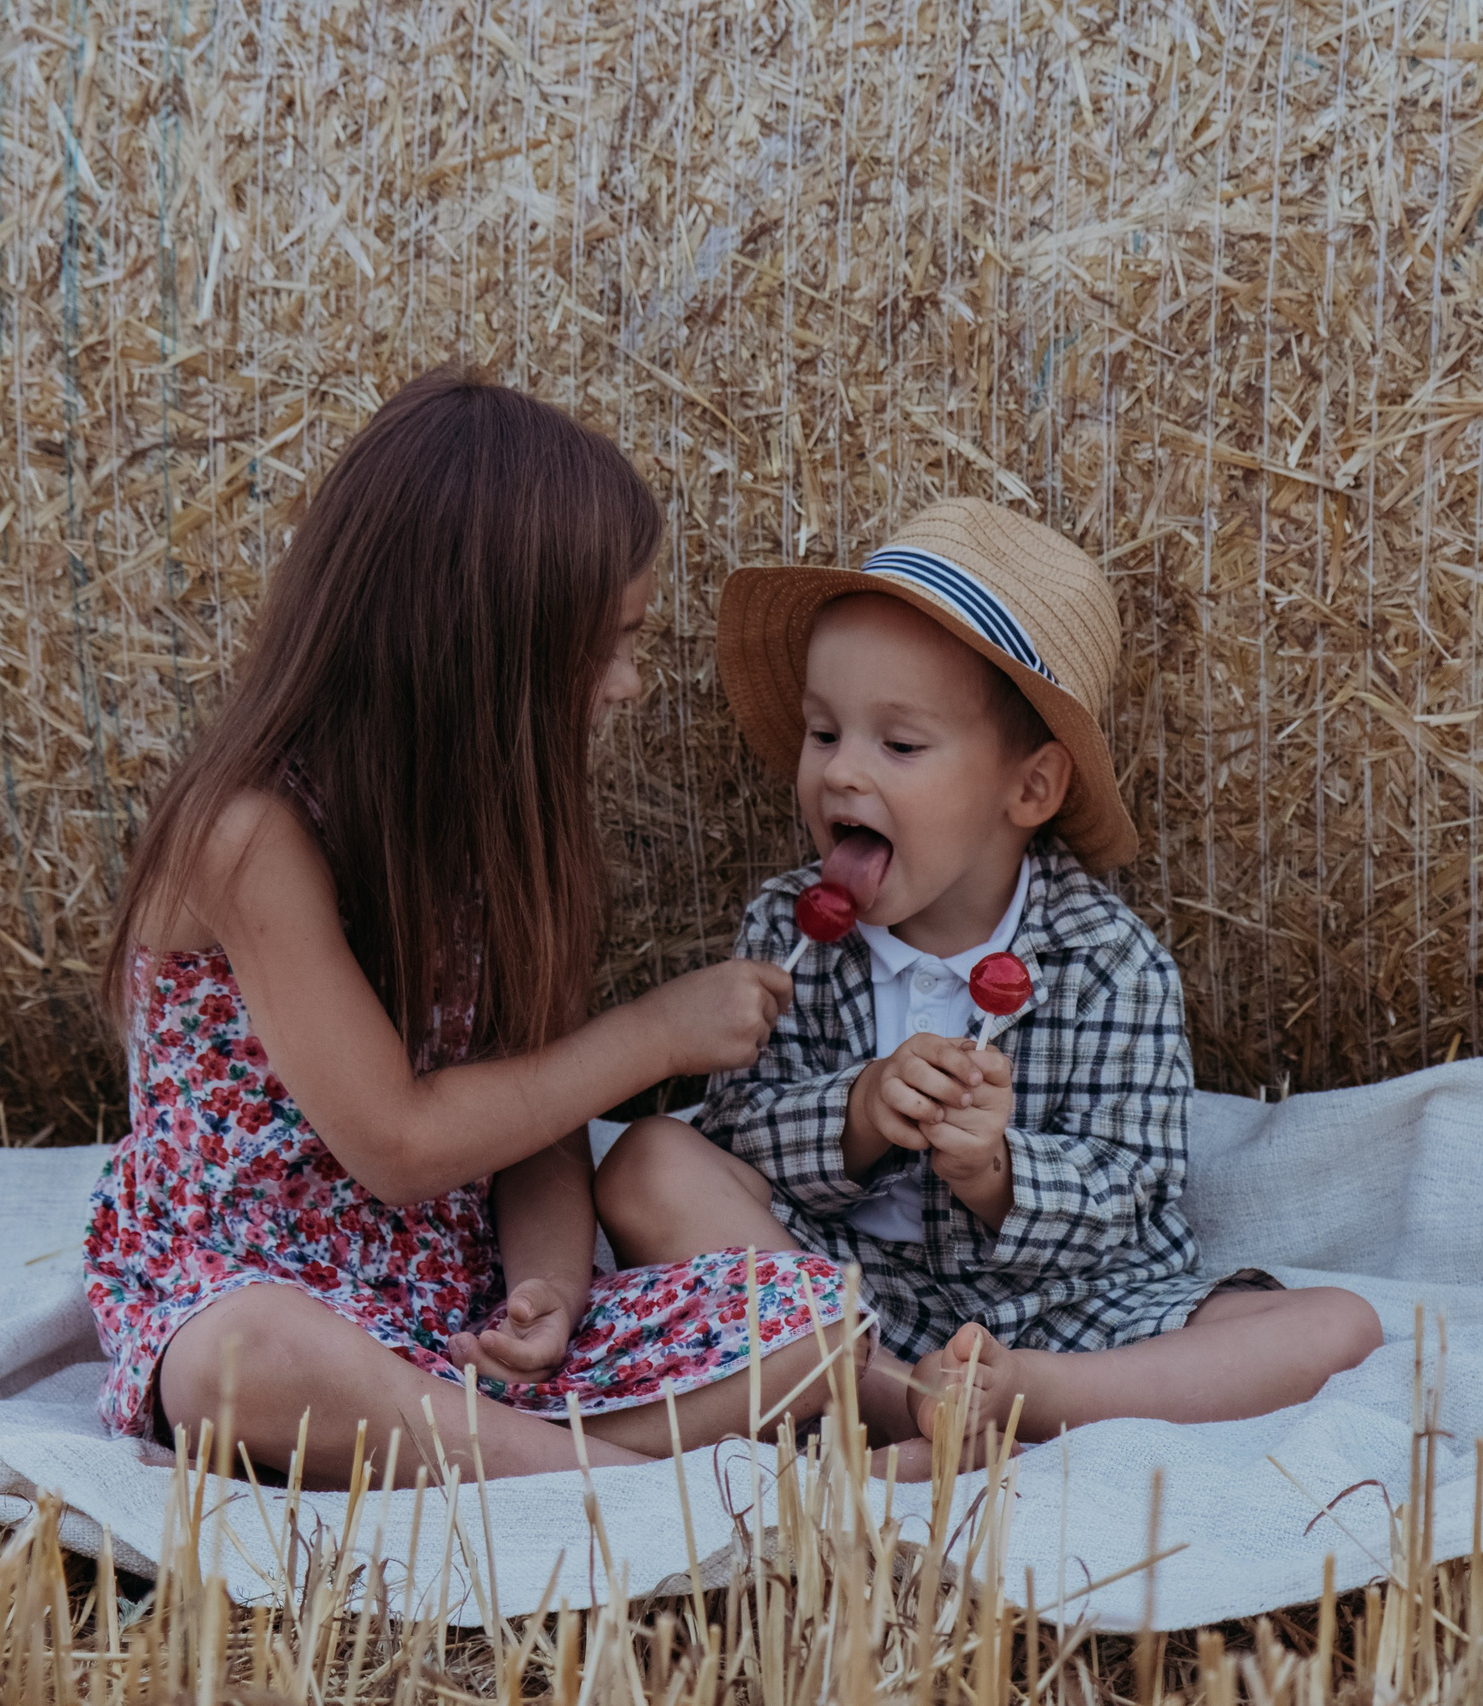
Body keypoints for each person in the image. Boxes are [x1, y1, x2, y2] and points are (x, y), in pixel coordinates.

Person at [82, 367, 855, 1485]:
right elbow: (396, 1144)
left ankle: (494, 1451)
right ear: (486, 652)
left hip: (455, 1324)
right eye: (612, 643)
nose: (630, 682)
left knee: (818, 1319)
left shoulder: (484, 819)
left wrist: (550, 1289)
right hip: (264, 1292)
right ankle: (609, 1479)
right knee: (241, 1360)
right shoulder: (248, 835)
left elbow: (536, 1118)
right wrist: (654, 1036)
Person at [596, 498, 1382, 1448]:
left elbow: (1132, 1185)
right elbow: (738, 1132)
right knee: (647, 1162)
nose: (842, 774)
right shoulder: (787, 931)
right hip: (835, 1285)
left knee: (1337, 1326)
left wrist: (998, 1170)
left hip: (1064, 1308)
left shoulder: (1105, 959)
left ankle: (1031, 1400)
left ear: (1031, 788)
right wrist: (857, 1110)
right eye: (822, 733)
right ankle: (888, 1393)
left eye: (900, 744)